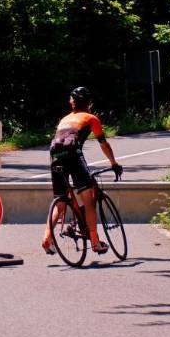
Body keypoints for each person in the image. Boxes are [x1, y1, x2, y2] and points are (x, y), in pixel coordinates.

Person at [42, 87, 123, 255]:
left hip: (55, 156)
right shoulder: (91, 118)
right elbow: (103, 144)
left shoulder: (64, 119)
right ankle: (95, 242)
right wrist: (114, 163)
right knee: (88, 200)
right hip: (73, 155)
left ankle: (47, 238)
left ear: (71, 103)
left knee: (60, 202)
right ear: (88, 103)